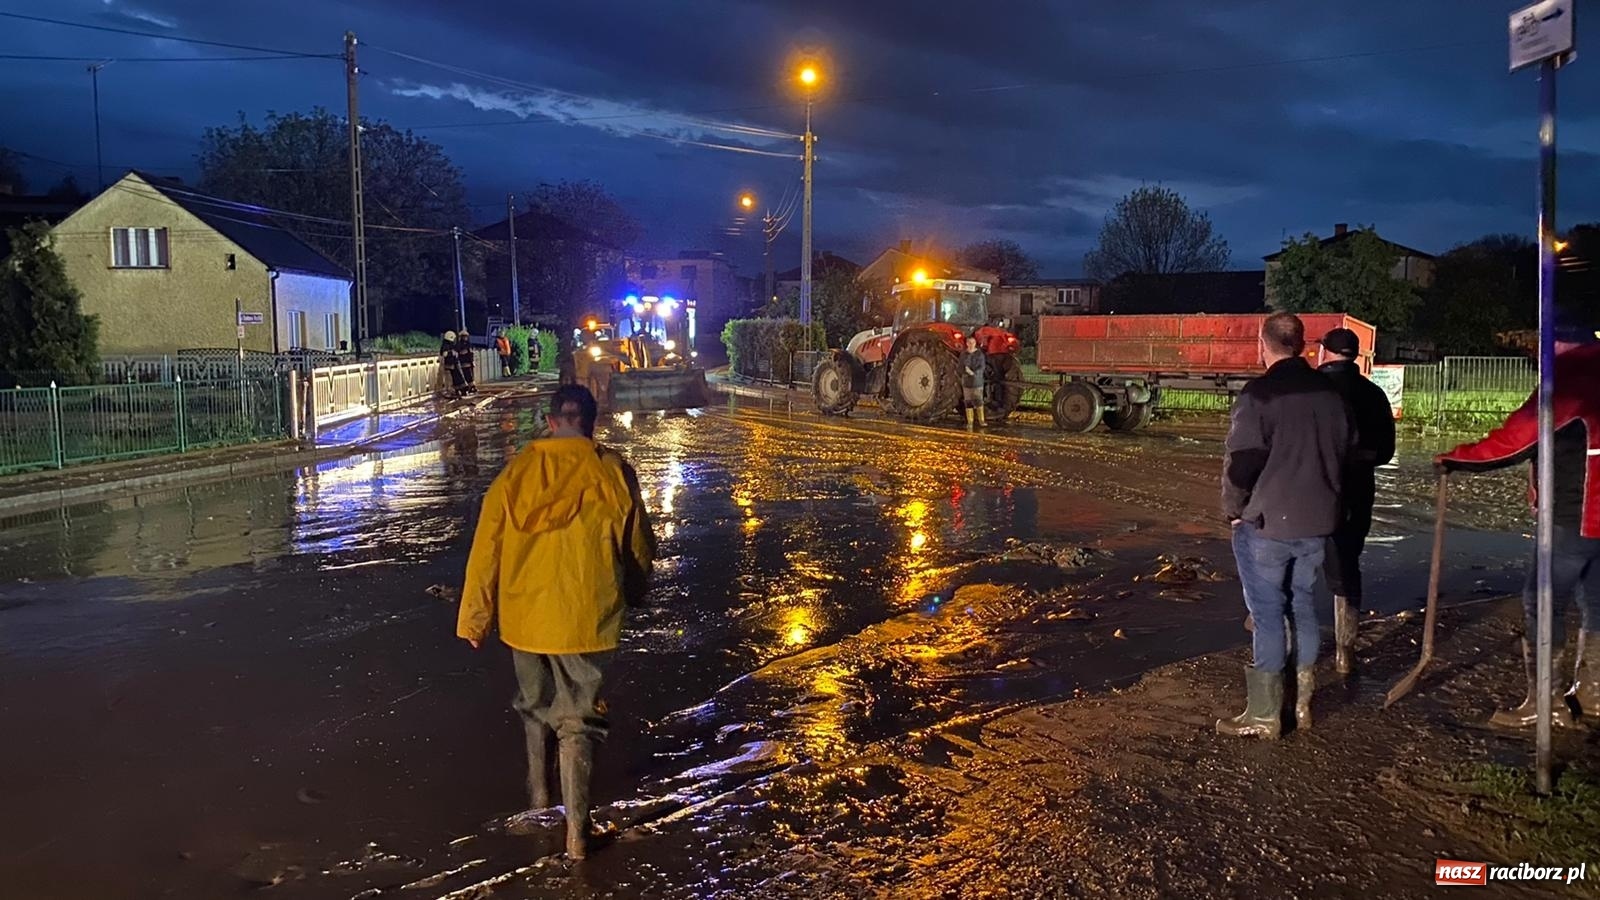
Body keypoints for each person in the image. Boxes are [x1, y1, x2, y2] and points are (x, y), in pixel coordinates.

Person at [458, 385, 656, 859]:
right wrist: (634, 593)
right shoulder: (612, 472)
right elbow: (639, 547)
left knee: (534, 705)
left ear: (550, 422)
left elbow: (485, 550)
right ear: (591, 421)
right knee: (579, 724)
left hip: (525, 620)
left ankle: (540, 798)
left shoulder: (516, 473)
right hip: (587, 618)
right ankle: (577, 837)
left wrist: (475, 619)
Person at [1435, 317, 1600, 728]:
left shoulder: (1567, 384)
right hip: (1592, 519)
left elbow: (1513, 442)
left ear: (1556, 346)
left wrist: (1455, 457)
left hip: (1576, 515)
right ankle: (1595, 694)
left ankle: (1546, 704)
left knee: (1542, 602)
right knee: (1597, 603)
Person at [1218, 312, 1352, 739]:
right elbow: (1347, 449)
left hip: (1268, 524)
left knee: (1268, 613)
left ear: (1264, 344)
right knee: (1302, 605)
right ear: (1302, 345)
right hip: (1317, 522)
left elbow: (1242, 461)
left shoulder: (1259, 395)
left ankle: (1264, 715)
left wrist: (1234, 508)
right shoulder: (1331, 394)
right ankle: (1303, 703)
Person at [1317, 327, 1395, 675]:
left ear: (1324, 352)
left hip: (1311, 492)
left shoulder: (1311, 390)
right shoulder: (1375, 394)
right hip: (1358, 490)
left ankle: (1290, 650)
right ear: (1357, 356)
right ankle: (1345, 650)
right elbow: (1385, 451)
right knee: (1347, 565)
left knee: (1297, 566)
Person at [961, 336, 987, 430]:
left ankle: (981, 420)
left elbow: (982, 367)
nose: (971, 344)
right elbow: (960, 366)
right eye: (969, 343)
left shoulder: (979, 354)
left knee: (978, 400)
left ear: (975, 343)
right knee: (968, 402)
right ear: (967, 344)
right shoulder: (963, 354)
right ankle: (970, 421)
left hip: (977, 381)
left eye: (973, 343)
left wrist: (973, 373)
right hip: (966, 381)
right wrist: (965, 372)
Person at [441, 330, 465, 398]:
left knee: (456, 378)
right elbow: (444, 354)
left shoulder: (451, 345)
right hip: (449, 365)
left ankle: (457, 390)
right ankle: (451, 391)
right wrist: (452, 353)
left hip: (453, 364)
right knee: (450, 379)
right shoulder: (446, 345)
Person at [455, 331, 477, 395]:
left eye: (466, 336)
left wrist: (472, 361)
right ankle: (467, 387)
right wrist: (463, 352)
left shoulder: (469, 344)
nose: (465, 338)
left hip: (469, 362)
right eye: (464, 336)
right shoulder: (459, 344)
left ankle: (472, 387)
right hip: (463, 363)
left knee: (470, 375)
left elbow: (471, 353)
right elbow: (458, 353)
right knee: (465, 375)